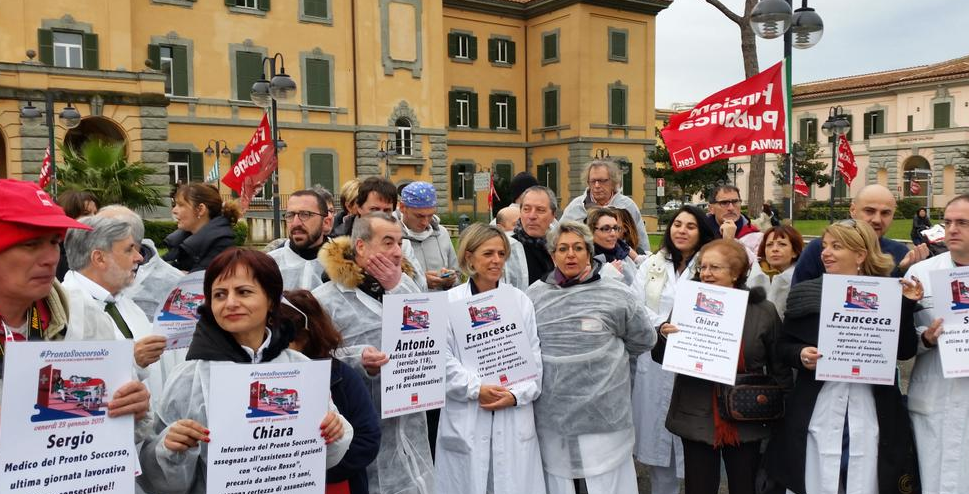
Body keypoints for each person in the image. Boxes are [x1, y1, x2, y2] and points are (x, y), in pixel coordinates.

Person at [137, 248, 352, 494]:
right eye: (219, 294)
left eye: (244, 292)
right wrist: (169, 447)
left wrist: (334, 433)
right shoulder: (189, 377)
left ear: (271, 300)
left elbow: (322, 457)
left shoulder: (299, 368)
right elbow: (159, 480)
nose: (230, 303)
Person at [767, 220, 928, 494]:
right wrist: (801, 354)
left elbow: (904, 351)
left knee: (866, 479)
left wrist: (905, 305)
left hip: (871, 407)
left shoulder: (888, 294)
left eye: (836, 247)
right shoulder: (806, 293)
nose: (825, 252)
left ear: (861, 254)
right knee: (816, 479)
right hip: (818, 407)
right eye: (825, 246)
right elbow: (783, 346)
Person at [0, 179, 149, 431]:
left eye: (54, 242)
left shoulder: (82, 314)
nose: (50, 259)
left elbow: (130, 434)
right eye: (30, 244)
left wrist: (133, 410)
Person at [652, 239, 792, 494]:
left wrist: (784, 415)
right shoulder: (687, 305)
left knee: (745, 486)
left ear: (737, 272)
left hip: (747, 414)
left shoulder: (763, 311)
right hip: (696, 411)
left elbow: (778, 366)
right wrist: (663, 336)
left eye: (715, 267)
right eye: (703, 267)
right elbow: (661, 356)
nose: (706, 273)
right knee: (699, 487)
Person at [526, 221, 655, 494]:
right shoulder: (534, 297)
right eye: (562, 248)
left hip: (605, 413)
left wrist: (602, 363)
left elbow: (643, 338)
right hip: (555, 413)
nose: (570, 254)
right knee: (562, 483)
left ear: (589, 252)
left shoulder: (617, 293)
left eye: (577, 248)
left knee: (607, 484)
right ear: (553, 255)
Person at [313, 213, 435, 494]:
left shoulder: (407, 289)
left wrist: (399, 288)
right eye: (387, 242)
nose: (396, 252)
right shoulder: (326, 300)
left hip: (411, 423)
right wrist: (357, 359)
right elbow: (311, 360)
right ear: (361, 247)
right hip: (364, 429)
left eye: (400, 243)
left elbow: (433, 341)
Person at [435, 224, 546, 494]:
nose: (496, 260)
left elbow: (533, 358)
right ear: (469, 257)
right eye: (488, 254)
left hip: (512, 412)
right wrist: (476, 389)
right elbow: (442, 360)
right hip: (468, 414)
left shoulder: (519, 301)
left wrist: (516, 394)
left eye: (501, 253)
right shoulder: (448, 303)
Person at [632, 205, 716, 494]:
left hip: (695, 359)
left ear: (701, 232)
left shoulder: (710, 265)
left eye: (690, 226)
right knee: (657, 445)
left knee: (692, 447)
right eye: (677, 224)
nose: (681, 230)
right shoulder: (652, 264)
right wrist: (663, 326)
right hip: (655, 358)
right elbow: (635, 305)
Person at [283, 289, 381, 494]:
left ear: (306, 337)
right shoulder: (256, 378)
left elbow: (368, 439)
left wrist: (304, 473)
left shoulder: (341, 378)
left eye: (285, 339)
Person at [904, 194, 969, 494]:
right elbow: (901, 340)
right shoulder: (920, 275)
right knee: (932, 481)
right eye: (948, 222)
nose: (953, 229)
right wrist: (926, 339)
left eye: (963, 223)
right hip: (934, 397)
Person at [61, 216, 167, 385]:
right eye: (129, 250)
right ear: (99, 258)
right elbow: (70, 382)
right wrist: (132, 361)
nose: (139, 257)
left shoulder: (124, 303)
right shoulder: (64, 313)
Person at [792, 184, 929, 284]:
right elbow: (796, 303)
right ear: (852, 210)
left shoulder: (900, 253)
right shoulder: (819, 249)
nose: (877, 219)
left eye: (885, 213)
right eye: (869, 211)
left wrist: (904, 272)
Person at [330, 177, 427, 290]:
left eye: (387, 211)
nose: (380, 216)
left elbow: (421, 289)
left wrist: (397, 283)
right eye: (374, 209)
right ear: (359, 208)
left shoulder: (403, 244)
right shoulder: (337, 246)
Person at [561, 160, 650, 252]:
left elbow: (641, 240)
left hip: (623, 261)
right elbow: (559, 236)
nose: (597, 185)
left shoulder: (627, 205)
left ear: (613, 182)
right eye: (593, 181)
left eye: (602, 181)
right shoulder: (576, 207)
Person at [394, 181, 459, 291]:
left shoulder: (442, 233)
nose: (425, 222)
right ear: (402, 207)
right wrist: (421, 282)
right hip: (408, 306)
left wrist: (450, 280)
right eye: (419, 216)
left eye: (430, 215)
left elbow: (457, 274)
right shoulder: (392, 237)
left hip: (442, 304)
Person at [163, 183, 241, 272]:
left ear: (200, 209)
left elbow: (201, 281)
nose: (174, 210)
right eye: (175, 205)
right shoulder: (183, 240)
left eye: (181, 205)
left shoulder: (222, 245)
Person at [267, 188, 336, 290]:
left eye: (305, 214)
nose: (295, 223)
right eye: (290, 215)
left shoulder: (347, 264)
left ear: (325, 222)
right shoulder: (269, 265)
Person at [746, 225, 804, 320]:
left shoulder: (802, 279)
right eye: (769, 245)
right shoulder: (749, 276)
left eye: (782, 244)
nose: (775, 249)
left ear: (794, 252)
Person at [704, 185, 762, 263]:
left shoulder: (756, 237)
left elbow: (757, 269)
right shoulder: (699, 234)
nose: (731, 208)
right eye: (724, 203)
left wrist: (731, 241)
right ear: (711, 209)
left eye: (735, 202)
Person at [513, 186, 557, 285]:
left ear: (553, 215)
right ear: (520, 212)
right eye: (526, 209)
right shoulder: (509, 249)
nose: (532, 216)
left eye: (540, 210)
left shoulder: (561, 246)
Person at [587, 207, 639, 288]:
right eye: (606, 229)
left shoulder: (624, 254)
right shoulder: (585, 260)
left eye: (615, 228)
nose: (613, 234)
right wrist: (605, 275)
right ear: (591, 231)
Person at [55, 189, 100, 281]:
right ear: (68, 216)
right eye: (86, 214)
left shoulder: (100, 248)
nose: (94, 218)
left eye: (95, 213)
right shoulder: (56, 256)